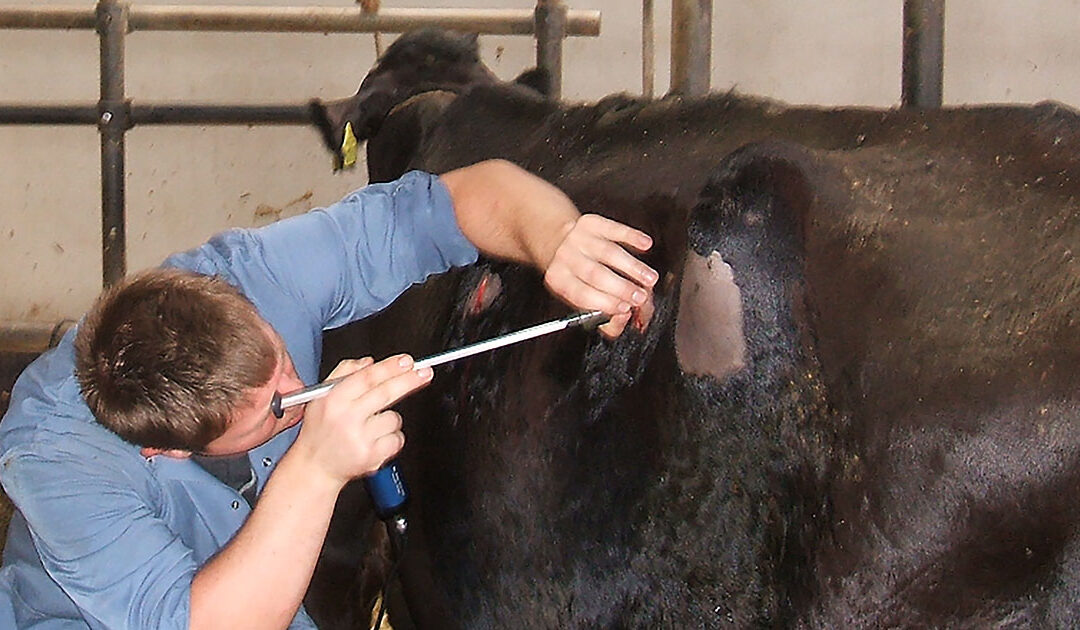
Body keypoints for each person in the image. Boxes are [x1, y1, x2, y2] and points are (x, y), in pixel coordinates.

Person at [0, 160, 656, 629]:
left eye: (283, 360)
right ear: (162, 451)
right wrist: (317, 467)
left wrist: (560, 241)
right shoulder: (58, 462)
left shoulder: (255, 275)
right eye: (274, 409)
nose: (299, 391)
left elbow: (454, 201)